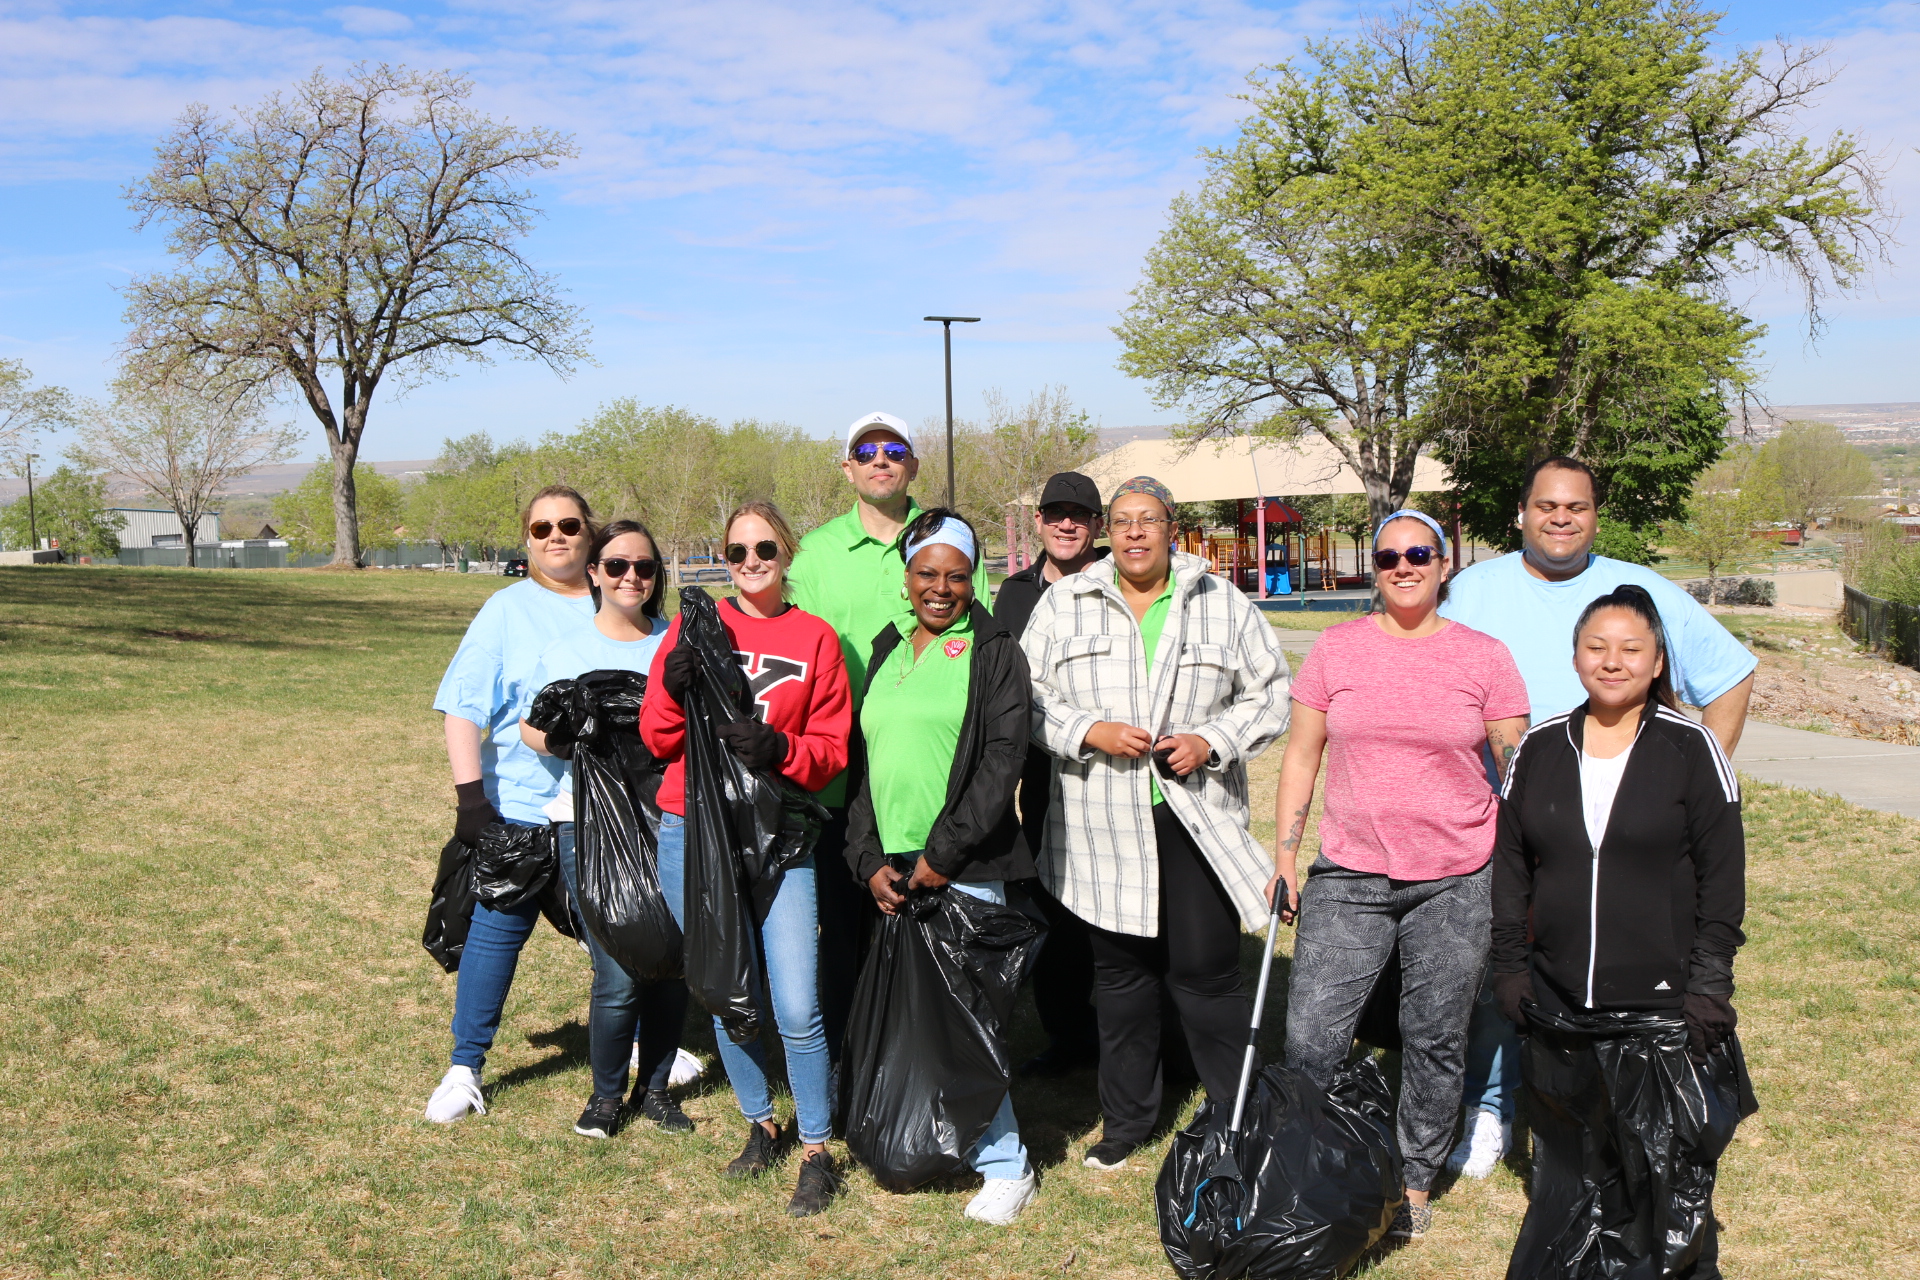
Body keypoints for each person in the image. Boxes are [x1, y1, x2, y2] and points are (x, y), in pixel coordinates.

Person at [1439, 455, 1757, 1178]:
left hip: (1616, 826)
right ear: (1520, 513)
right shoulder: (1474, 591)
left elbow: (1731, 673)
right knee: (1496, 966)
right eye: (1546, 505)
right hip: (1499, 820)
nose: (1561, 518)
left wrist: (1696, 780)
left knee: (1606, 966)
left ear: (1594, 516)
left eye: (1576, 507)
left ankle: (1619, 1102)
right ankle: (1489, 1106)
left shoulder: (1641, 591)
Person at [1019, 475, 1290, 1172]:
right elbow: (1027, 698)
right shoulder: (1064, 604)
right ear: (1109, 531)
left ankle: (1239, 1110)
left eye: (1149, 520)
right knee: (1121, 979)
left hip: (1194, 817)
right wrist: (1090, 730)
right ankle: (1128, 1119)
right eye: (1122, 520)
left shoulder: (1220, 603)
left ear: (1173, 528)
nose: (1135, 532)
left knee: (1207, 975)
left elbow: (1270, 695)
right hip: (1101, 822)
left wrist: (1213, 742)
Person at [1273, 509, 1531, 1242]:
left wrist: (1526, 873)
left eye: (1419, 553)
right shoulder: (1336, 649)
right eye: (1388, 557)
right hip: (1349, 873)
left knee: (1434, 1035)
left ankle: (1414, 1182)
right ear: (1375, 569)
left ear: (1444, 565)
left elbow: (1516, 774)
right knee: (1313, 1036)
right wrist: (1286, 857)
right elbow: (1301, 755)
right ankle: (1310, 1161)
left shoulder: (1484, 656)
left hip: (1456, 877)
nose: (1403, 566)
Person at [1491, 584, 1745, 1275]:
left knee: (1660, 1174)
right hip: (1558, 1003)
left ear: (1658, 661)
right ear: (1575, 658)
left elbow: (1724, 880)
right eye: (1596, 647)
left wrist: (1707, 986)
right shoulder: (1540, 748)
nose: (1612, 661)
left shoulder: (1692, 749)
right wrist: (1511, 970)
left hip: (1662, 1005)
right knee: (1571, 1173)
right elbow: (1511, 867)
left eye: (1631, 649)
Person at [640, 500, 853, 1218]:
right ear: (724, 557)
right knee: (727, 991)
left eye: (764, 548)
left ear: (786, 552)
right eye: (738, 551)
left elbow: (830, 750)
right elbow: (657, 737)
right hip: (692, 829)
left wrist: (781, 750)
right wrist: (672, 690)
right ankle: (760, 1123)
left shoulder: (816, 638)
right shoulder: (695, 628)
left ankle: (817, 1150)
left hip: (777, 832)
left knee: (795, 1003)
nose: (752, 561)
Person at [845, 508, 1041, 1225]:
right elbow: (865, 767)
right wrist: (867, 858)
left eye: (956, 575)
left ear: (973, 580)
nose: (941, 587)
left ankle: (1008, 1164)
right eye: (927, 572)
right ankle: (938, 1138)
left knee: (969, 1021)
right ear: (906, 578)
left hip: (964, 866)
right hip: (894, 867)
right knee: (922, 1019)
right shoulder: (889, 646)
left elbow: (1000, 765)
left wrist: (941, 856)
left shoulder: (994, 651)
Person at [785, 411, 990, 1063]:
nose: (880, 458)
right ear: (847, 467)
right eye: (865, 450)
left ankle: (931, 1055)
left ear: (913, 466)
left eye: (894, 448)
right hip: (838, 772)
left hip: (928, 774)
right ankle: (853, 1058)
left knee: (930, 923)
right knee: (844, 928)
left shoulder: (949, 543)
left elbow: (979, 644)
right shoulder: (815, 553)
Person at [425, 486, 598, 1123]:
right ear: (527, 539)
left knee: (614, 928)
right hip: (519, 806)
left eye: (569, 524)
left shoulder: (620, 599)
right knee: (495, 935)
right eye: (541, 527)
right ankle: (465, 1068)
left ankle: (636, 1039)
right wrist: (471, 803)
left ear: (589, 532)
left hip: (598, 811)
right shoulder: (505, 610)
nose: (556, 535)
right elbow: (463, 707)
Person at [517, 519, 691, 1140]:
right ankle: (605, 1094)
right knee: (617, 970)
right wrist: (578, 739)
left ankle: (658, 1092)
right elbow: (529, 728)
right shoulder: (565, 653)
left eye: (643, 567)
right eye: (616, 566)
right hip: (587, 825)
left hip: (672, 819)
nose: (631, 578)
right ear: (594, 572)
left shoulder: (675, 642)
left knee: (672, 960)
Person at [988, 470, 1107, 1078]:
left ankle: (1126, 1032)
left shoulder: (1120, 584)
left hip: (1112, 771)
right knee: (1053, 906)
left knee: (1115, 909)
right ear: (1038, 521)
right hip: (1041, 777)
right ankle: (1066, 1035)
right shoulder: (1013, 593)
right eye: (1055, 513)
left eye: (1080, 515)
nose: (1067, 524)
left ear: (1096, 525)